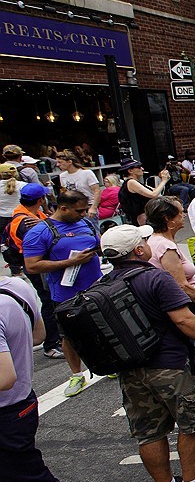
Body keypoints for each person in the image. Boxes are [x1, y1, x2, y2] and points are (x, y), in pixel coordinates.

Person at [101, 224, 195, 482]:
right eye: (143, 241)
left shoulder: (104, 285)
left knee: (149, 431)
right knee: (191, 422)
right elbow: (184, 319)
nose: (147, 243)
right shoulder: (155, 279)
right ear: (138, 250)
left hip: (131, 370)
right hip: (169, 366)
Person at [0, 273, 95, 482]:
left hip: (7, 413)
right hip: (22, 404)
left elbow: (4, 375)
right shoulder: (16, 286)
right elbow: (39, 335)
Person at [21, 189, 101, 398]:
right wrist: (70, 262)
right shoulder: (40, 232)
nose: (83, 214)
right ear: (63, 208)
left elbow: (98, 244)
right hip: (65, 294)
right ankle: (76, 374)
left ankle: (107, 363)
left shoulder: (85, 223)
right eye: (79, 211)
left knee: (102, 327)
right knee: (69, 336)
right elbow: (32, 266)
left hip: (97, 287)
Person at [7, 183, 64, 360]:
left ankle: (55, 340)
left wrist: (45, 222)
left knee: (51, 300)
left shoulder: (29, 214)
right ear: (40, 199)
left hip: (38, 264)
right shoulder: (25, 220)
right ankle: (51, 344)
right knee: (48, 302)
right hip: (37, 267)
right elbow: (48, 237)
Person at [117, 159, 169, 226]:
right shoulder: (131, 182)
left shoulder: (135, 182)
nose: (142, 168)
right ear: (130, 171)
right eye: (138, 167)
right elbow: (153, 194)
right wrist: (164, 181)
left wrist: (161, 178)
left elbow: (155, 191)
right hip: (141, 220)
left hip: (147, 217)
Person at [54, 152, 100, 219]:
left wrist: (93, 207)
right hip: (72, 207)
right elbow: (65, 192)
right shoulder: (62, 176)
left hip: (88, 206)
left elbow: (97, 191)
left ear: (69, 162)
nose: (58, 165)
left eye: (60, 162)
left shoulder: (87, 173)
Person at [0, 163, 22, 275]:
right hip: (19, 219)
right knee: (22, 242)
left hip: (3, 219)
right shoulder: (22, 185)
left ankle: (15, 270)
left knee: (5, 245)